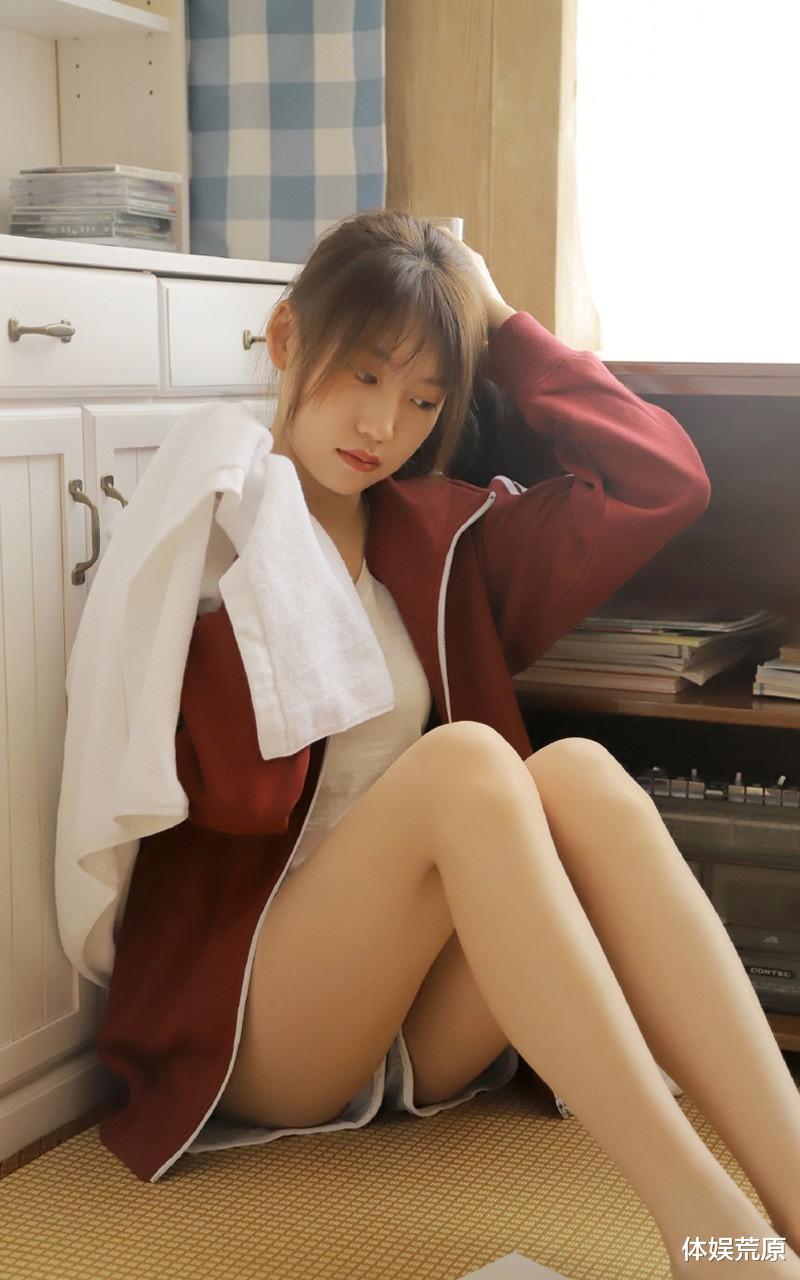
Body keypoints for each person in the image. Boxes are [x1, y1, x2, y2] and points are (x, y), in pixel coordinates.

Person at [96, 210, 799, 1276]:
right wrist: (262, 557)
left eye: (424, 399)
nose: (383, 425)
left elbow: (665, 481)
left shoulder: (441, 536)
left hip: (414, 1017)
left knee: (576, 772)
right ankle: (714, 1236)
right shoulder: (215, 530)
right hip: (257, 1019)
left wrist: (502, 323)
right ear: (285, 339)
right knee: (467, 762)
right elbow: (235, 797)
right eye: (363, 374)